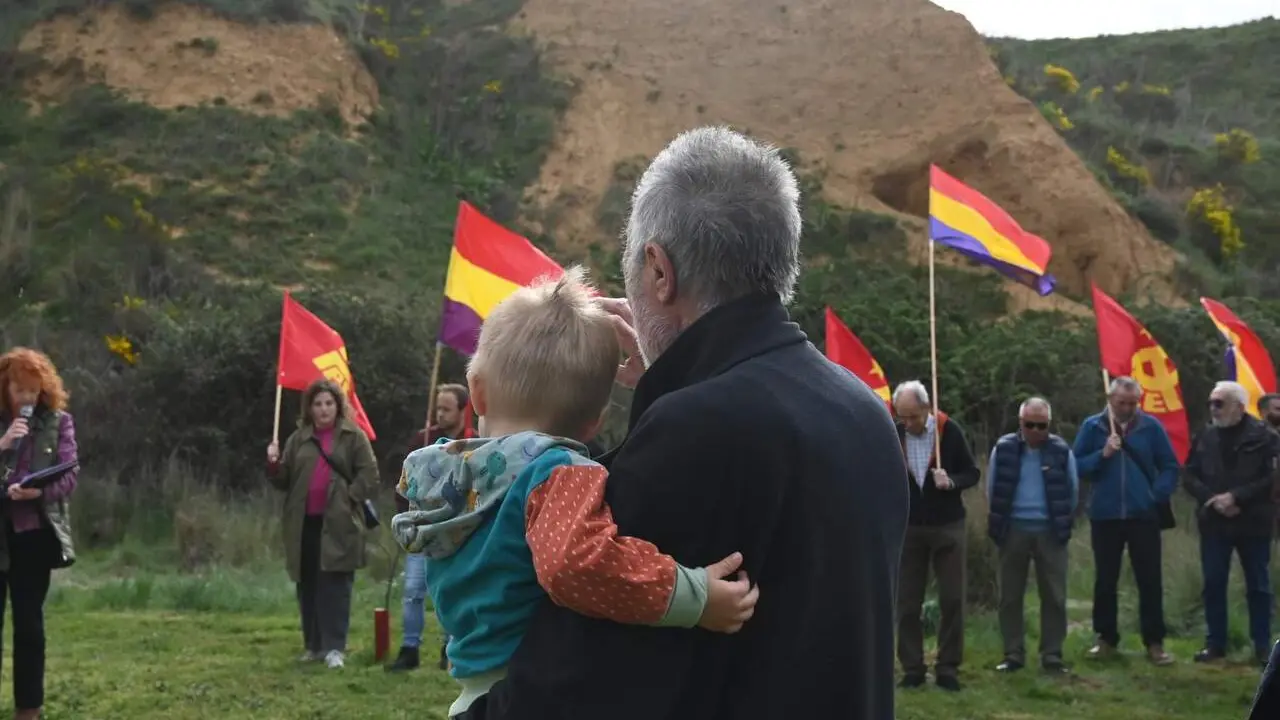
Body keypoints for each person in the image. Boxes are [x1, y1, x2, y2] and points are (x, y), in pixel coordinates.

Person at [479, 126, 909, 719]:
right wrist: (665, 379)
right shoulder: (862, 409)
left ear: (659, 271)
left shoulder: (699, 426)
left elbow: (582, 674)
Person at [393, 267, 757, 719]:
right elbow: (575, 563)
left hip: (472, 689)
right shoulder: (557, 473)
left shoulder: (443, 474)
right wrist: (694, 595)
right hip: (541, 694)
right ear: (594, 424)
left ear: (477, 395)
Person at [266, 378, 379, 669]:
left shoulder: (353, 436)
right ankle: (313, 646)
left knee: (335, 586)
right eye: (317, 404)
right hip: (304, 525)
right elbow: (283, 481)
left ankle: (334, 648)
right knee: (309, 585)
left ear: (337, 405)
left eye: (328, 403)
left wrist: (347, 499)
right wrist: (274, 463)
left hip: (339, 525)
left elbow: (369, 476)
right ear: (310, 408)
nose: (323, 409)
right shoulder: (298, 439)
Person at [1073, 375, 1178, 665]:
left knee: (1149, 579)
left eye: (1133, 403)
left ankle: (1154, 642)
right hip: (1105, 515)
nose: (1128, 408)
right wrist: (1102, 454)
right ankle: (1106, 638)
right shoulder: (1093, 426)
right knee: (1105, 579)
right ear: (1110, 400)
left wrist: (1156, 494)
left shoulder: (1151, 427)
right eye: (1122, 403)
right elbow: (1076, 464)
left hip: (1143, 515)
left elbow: (1169, 466)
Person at [0, 348, 78, 720]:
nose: (27, 398)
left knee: (29, 625)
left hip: (32, 534)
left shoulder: (59, 422)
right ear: (6, 388)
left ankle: (28, 709)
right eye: (19, 390)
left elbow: (69, 474)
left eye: (33, 391)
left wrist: (38, 492)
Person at [1182, 381, 1279, 666]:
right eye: (1211, 402)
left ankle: (1262, 646)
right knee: (1213, 582)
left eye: (1219, 403)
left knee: (1258, 585)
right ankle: (1216, 644)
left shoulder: (1265, 436)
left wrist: (1236, 497)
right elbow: (1189, 474)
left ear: (1238, 406)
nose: (1213, 408)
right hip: (1214, 521)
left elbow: (1272, 478)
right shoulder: (1205, 435)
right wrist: (1213, 499)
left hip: (1253, 521)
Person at [893, 379, 980, 691]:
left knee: (952, 599)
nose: (908, 423)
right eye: (902, 417)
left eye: (913, 416)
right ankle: (912, 668)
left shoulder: (948, 431)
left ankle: (947, 668)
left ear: (927, 409)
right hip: (909, 527)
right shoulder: (894, 433)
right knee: (906, 603)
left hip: (947, 525)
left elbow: (972, 473)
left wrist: (951, 481)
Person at [388, 383, 476, 673]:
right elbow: (404, 481)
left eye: (446, 409)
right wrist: (407, 518)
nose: (440, 413)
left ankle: (449, 648)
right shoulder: (422, 440)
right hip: (423, 528)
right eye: (437, 407)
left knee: (452, 590)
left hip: (456, 530)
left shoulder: (474, 442)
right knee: (414, 589)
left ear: (463, 411)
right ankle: (409, 648)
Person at [987, 397, 1078, 675]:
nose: (1036, 431)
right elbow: (992, 488)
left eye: (1042, 425)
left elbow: (1073, 491)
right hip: (1013, 527)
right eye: (1031, 425)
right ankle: (1013, 653)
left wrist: (1061, 521)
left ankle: (1052, 654)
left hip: (1049, 530)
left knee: (1054, 596)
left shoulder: (1061, 451)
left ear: (1049, 424)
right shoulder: (1003, 449)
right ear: (1020, 423)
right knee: (1010, 596)